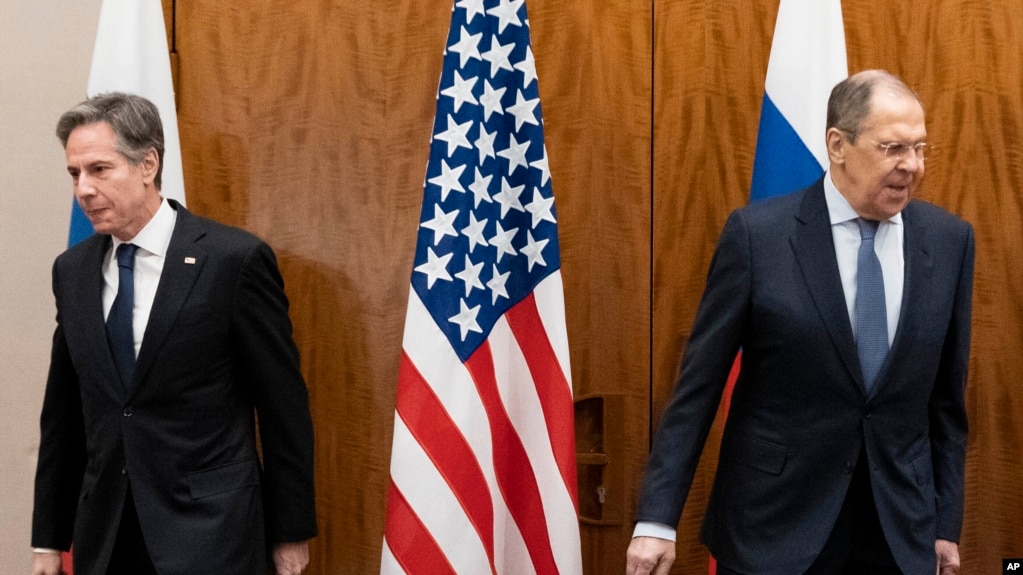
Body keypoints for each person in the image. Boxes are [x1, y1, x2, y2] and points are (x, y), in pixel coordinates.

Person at [627, 70, 973, 575]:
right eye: (893, 148)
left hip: (899, 535)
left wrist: (945, 525)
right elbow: (696, 391)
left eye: (921, 148)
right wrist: (657, 520)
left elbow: (946, 405)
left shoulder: (949, 241)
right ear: (838, 144)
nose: (912, 166)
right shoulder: (757, 237)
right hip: (773, 527)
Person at [30, 92, 317, 575]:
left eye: (99, 170)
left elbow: (283, 407)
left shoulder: (232, 261)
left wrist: (290, 532)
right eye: (74, 174)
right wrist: (48, 539)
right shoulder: (73, 271)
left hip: (211, 531)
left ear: (147, 165)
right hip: (107, 534)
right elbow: (64, 413)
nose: (83, 189)